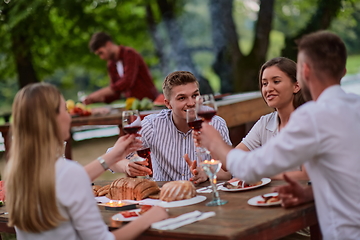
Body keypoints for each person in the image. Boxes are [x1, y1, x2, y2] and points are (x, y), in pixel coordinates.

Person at [195, 31, 360, 239]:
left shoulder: (313, 117)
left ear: (305, 72)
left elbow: (249, 168)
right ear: (343, 71)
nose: (268, 88)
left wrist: (214, 143)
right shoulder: (355, 105)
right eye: (264, 83)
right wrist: (310, 194)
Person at [4, 83, 168, 240]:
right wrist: (149, 218)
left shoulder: (16, 172)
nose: (69, 117)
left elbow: (67, 180)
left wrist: (113, 156)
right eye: (64, 110)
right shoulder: (68, 172)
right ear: (51, 119)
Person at [110, 71, 232, 183]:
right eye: (182, 98)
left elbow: (228, 172)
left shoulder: (215, 123)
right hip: (165, 198)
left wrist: (206, 173)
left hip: (204, 197)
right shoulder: (152, 125)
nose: (191, 103)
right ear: (168, 103)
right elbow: (112, 158)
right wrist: (126, 166)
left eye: (195, 95)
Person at [235, 57, 308, 180]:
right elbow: (236, 157)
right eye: (265, 83)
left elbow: (306, 176)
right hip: (269, 197)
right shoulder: (265, 123)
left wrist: (260, 175)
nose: (268, 89)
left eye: (276, 81)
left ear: (296, 86)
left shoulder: (308, 122)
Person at [83, 32, 159, 104]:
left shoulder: (129, 54)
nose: (101, 57)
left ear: (108, 45)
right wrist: (99, 98)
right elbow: (116, 93)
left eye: (101, 53)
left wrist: (99, 93)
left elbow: (127, 82)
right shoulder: (111, 64)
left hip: (151, 102)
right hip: (133, 106)